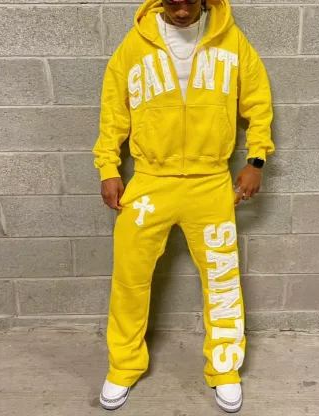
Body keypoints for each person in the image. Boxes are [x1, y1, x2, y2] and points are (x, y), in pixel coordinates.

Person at [92, 0, 274, 412]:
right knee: (129, 279)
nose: (180, 10)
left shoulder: (231, 41)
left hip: (210, 182)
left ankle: (224, 369)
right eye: (172, 2)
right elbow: (113, 111)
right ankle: (123, 366)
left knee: (222, 281)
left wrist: (257, 159)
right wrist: (108, 167)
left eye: (189, 1)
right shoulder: (134, 45)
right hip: (150, 181)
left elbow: (258, 102)